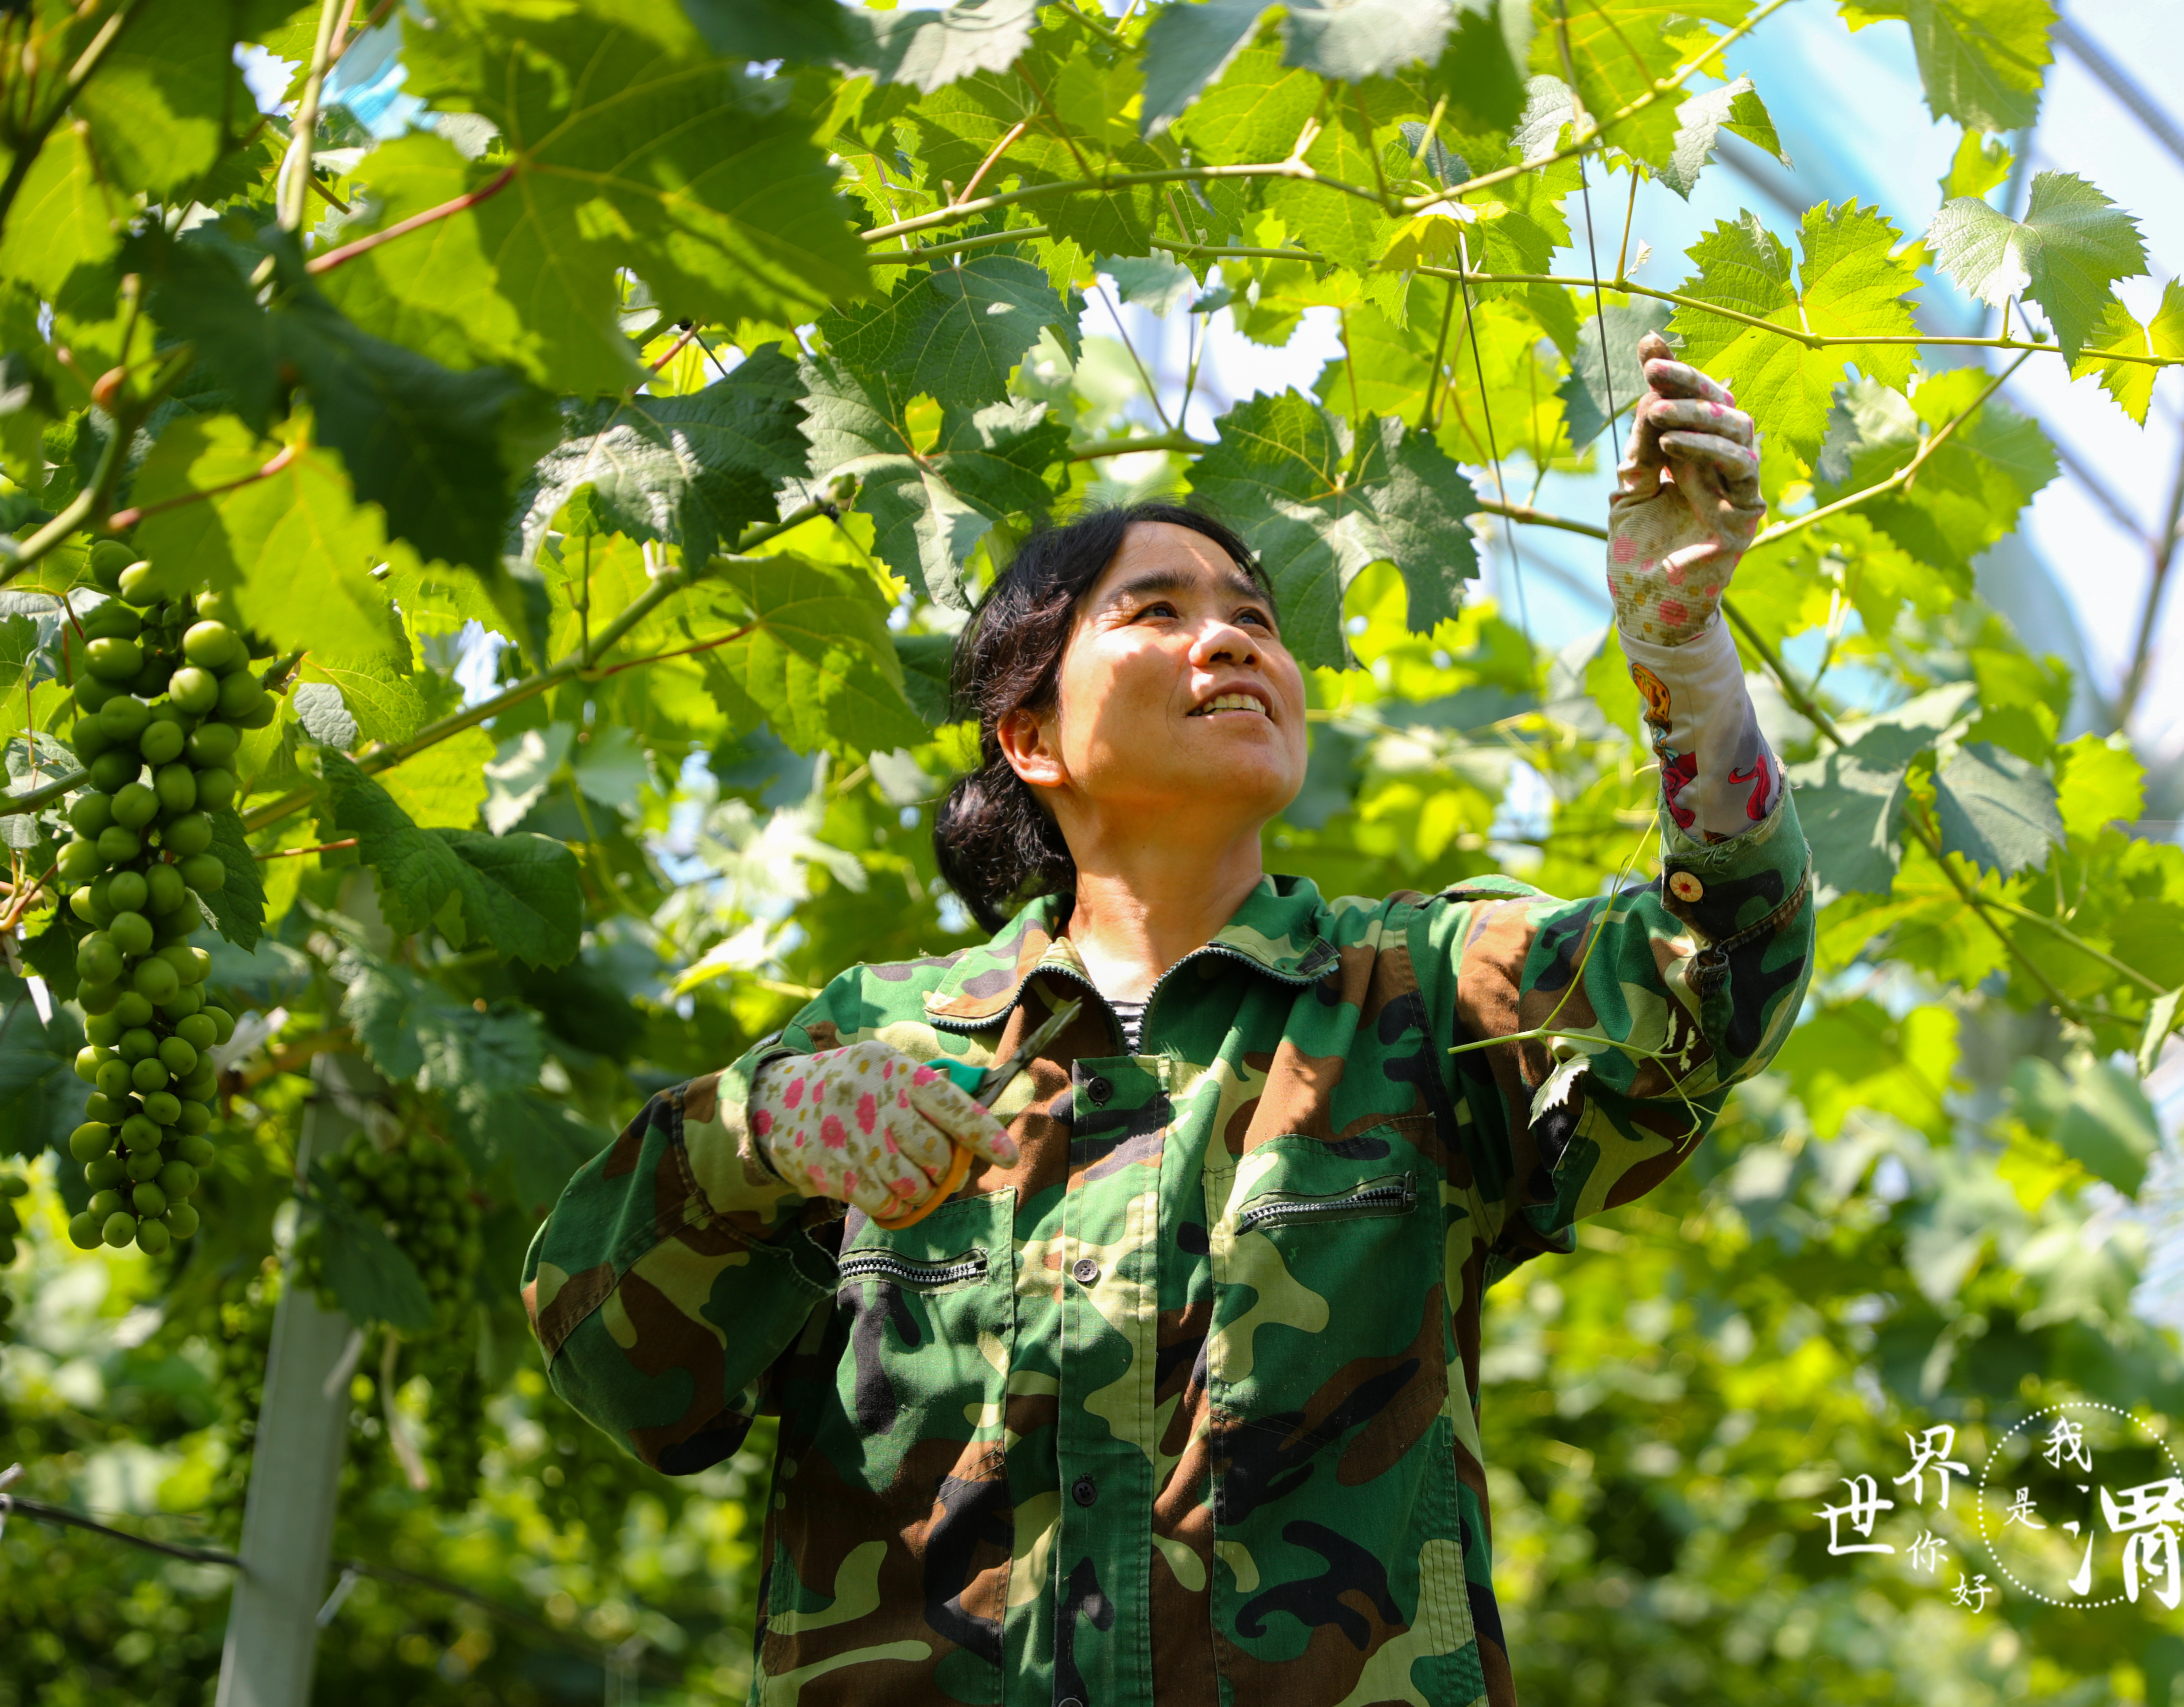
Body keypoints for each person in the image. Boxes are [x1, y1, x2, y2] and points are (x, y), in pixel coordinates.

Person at [522, 335, 1814, 1705]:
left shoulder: (1422, 997)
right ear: (1032, 736)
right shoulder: (879, 1044)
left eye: (1254, 616)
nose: (1232, 637)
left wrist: (1682, 651)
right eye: (1155, 611)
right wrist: (755, 1135)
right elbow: (620, 1374)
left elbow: (1724, 972)